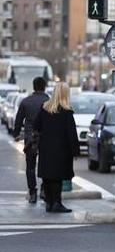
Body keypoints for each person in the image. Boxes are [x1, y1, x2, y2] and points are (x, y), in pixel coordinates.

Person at [34, 82, 79, 213]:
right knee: (57, 177)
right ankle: (57, 203)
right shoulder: (66, 112)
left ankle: (49, 203)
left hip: (46, 148)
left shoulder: (44, 108)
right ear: (65, 94)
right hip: (61, 150)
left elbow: (36, 126)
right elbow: (71, 133)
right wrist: (75, 151)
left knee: (47, 176)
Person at [12, 77, 49, 203]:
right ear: (45, 86)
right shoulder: (49, 101)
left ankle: (32, 192)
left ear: (34, 87)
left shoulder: (26, 102)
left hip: (30, 138)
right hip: (45, 137)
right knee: (46, 164)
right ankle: (44, 190)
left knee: (30, 166)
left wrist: (16, 134)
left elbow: (18, 121)